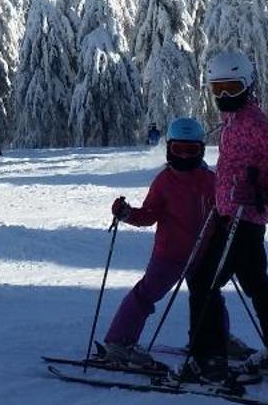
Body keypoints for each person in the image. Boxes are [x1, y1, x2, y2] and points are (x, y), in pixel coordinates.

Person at [182, 51, 268, 383]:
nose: (224, 96)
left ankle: (210, 359)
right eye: (217, 88)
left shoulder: (252, 122)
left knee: (203, 281)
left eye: (231, 88)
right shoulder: (232, 121)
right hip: (231, 217)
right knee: (257, 286)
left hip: (243, 221)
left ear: (247, 85)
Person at [99, 117, 231, 371]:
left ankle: (215, 340)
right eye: (178, 149)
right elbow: (149, 215)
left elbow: (223, 211)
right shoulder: (164, 181)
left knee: (210, 298)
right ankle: (119, 342)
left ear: (201, 150)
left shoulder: (210, 180)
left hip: (203, 254)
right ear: (169, 148)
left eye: (190, 150)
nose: (183, 156)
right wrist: (127, 214)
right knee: (145, 295)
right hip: (170, 255)